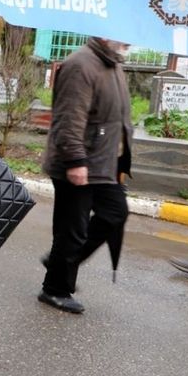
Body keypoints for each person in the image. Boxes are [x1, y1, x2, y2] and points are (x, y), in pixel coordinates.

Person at [39, 36, 132, 314]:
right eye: (124, 34)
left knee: (115, 212)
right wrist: (76, 160)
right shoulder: (81, 64)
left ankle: (60, 262)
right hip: (78, 162)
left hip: (103, 162)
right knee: (72, 230)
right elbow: (69, 118)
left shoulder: (112, 63)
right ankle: (54, 288)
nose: (129, 41)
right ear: (105, 34)